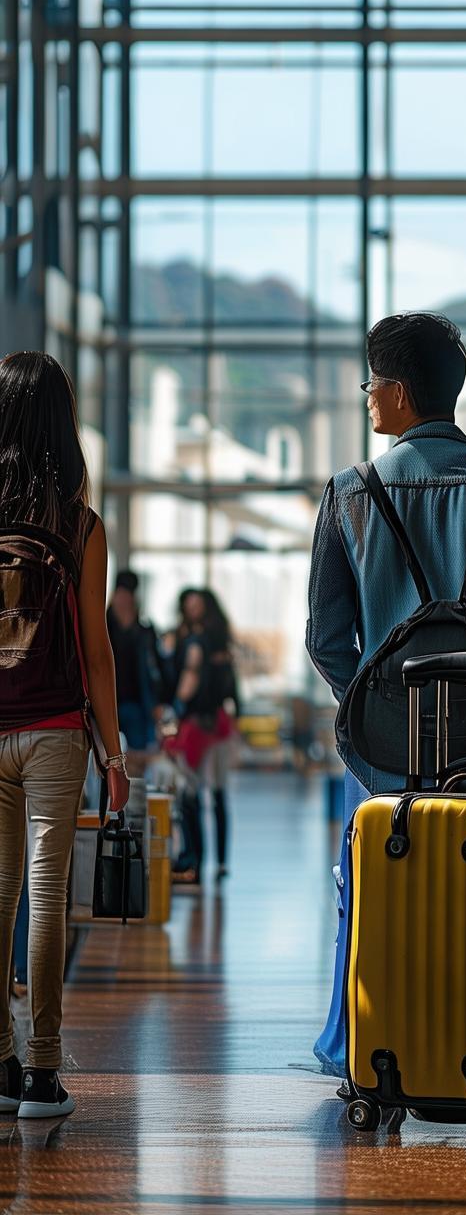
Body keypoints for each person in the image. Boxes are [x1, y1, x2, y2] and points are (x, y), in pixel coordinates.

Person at [305, 312, 466, 1080]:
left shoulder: (350, 491)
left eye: (371, 384)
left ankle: (361, 1045)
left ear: (398, 393)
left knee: (375, 877)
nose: (366, 398)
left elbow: (327, 637)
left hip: (384, 741)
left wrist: (374, 707)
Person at [0, 351, 129, 1119]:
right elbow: (98, 652)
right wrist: (114, 755)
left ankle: (1, 1064)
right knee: (47, 899)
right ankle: (44, 1074)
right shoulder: (80, 524)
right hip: (55, 730)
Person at [167, 588, 236, 884]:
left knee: (200, 793)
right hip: (209, 723)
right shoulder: (199, 640)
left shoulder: (199, 641)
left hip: (203, 724)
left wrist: (177, 708)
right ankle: (208, 861)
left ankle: (205, 860)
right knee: (205, 794)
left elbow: (193, 677)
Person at [107, 570, 164, 755]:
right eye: (120, 595)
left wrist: (157, 702)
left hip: (136, 703)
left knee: (137, 757)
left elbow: (155, 669)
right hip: (105, 702)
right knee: (105, 759)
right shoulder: (103, 626)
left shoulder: (144, 630)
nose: (124, 600)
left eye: (128, 595)